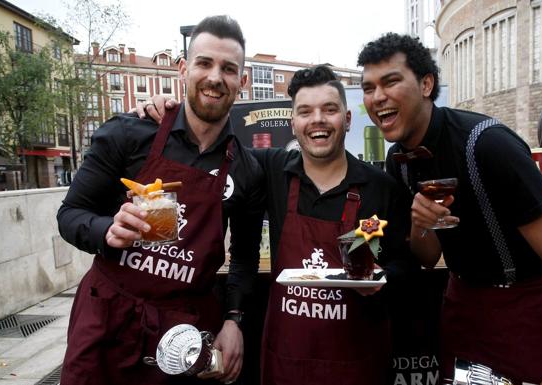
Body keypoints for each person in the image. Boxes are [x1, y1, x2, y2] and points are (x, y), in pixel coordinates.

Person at [138, 65, 416, 385]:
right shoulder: (270, 168)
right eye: (305, 111)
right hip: (287, 362)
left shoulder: (380, 187)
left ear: (348, 119)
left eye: (330, 109)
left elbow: (405, 264)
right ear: (293, 124)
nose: (318, 120)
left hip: (356, 363)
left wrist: (382, 278)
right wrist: (164, 114)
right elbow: (205, 147)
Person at [357, 33, 542, 385]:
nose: (378, 97)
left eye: (390, 82)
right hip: (461, 307)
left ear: (426, 84)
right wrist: (422, 226)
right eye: (368, 88)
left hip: (524, 307)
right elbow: (427, 257)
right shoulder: (398, 161)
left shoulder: (488, 143)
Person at [56, 15, 265, 385]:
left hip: (183, 331)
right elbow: (70, 214)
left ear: (242, 81)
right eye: (204, 63)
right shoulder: (128, 133)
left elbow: (245, 258)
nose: (215, 77)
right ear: (184, 69)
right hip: (106, 318)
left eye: (229, 68)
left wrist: (234, 320)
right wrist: (107, 230)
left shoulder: (247, 169)